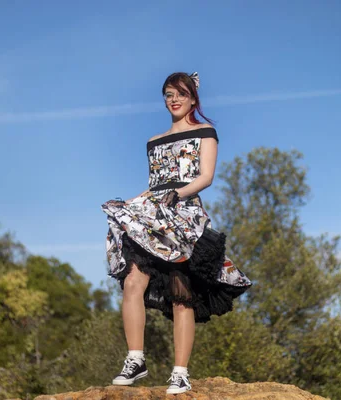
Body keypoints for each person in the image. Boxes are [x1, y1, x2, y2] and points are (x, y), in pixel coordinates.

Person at [101, 71, 252, 395]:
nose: (174, 100)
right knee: (132, 281)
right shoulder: (153, 141)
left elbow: (206, 176)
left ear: (193, 98)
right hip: (153, 213)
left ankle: (180, 373)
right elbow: (157, 182)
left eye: (180, 94)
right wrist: (134, 202)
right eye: (169, 94)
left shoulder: (205, 132)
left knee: (182, 293)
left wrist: (178, 195)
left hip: (184, 214)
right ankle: (135, 359)